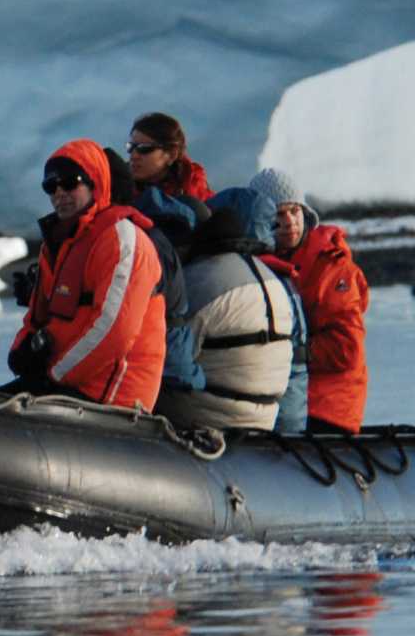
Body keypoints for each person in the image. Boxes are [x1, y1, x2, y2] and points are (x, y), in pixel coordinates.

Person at [7, 140, 164, 410]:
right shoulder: (58, 243)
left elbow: (115, 331)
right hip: (64, 380)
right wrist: (21, 351)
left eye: (70, 182)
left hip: (112, 395)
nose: (59, 193)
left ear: (96, 183)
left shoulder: (122, 240)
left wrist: (56, 376)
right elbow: (38, 314)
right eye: (50, 186)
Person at [154, 185, 297, 432]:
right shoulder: (273, 278)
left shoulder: (198, 280)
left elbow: (172, 361)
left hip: (210, 416)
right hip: (267, 417)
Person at [248, 166, 370, 435]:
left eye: (294, 210)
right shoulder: (259, 266)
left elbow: (346, 350)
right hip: (284, 399)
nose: (290, 220)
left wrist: (285, 352)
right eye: (280, 214)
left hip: (326, 408)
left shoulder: (334, 269)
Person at [104, 146, 200, 399]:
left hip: (155, 377)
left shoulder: (135, 240)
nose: (134, 154)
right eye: (130, 147)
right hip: (175, 367)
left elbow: (117, 326)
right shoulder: (149, 232)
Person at [126, 112, 213, 247]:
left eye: (144, 149)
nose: (134, 155)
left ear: (171, 154)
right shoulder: (119, 189)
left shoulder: (196, 194)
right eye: (130, 147)